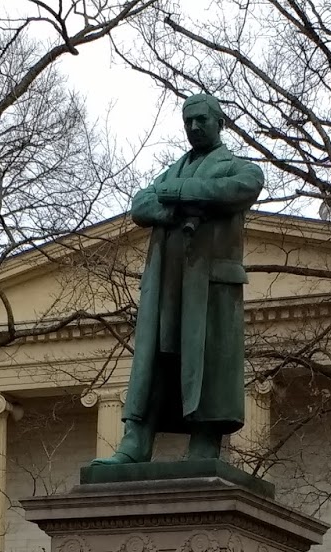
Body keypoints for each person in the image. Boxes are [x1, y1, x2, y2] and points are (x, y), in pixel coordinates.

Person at [94, 94, 264, 465]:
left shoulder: (240, 168)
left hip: (210, 287)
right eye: (188, 121)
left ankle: (204, 443)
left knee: (207, 364)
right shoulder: (171, 171)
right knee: (156, 361)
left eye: (201, 120)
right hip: (165, 286)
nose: (194, 127)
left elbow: (238, 191)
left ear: (221, 123)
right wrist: (184, 206)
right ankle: (136, 441)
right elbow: (141, 205)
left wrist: (178, 196)